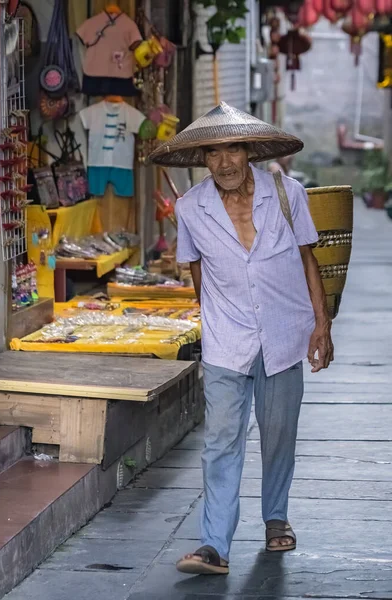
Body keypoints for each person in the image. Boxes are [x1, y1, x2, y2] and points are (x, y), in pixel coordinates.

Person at [149, 102, 334, 576]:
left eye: (232, 149)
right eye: (213, 153)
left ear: (248, 149)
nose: (224, 162)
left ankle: (275, 519)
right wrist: (213, 322)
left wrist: (321, 324)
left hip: (284, 336)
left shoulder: (288, 194)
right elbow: (196, 272)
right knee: (221, 443)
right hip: (227, 342)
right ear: (202, 160)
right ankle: (214, 544)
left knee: (278, 437)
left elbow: (309, 260)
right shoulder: (191, 209)